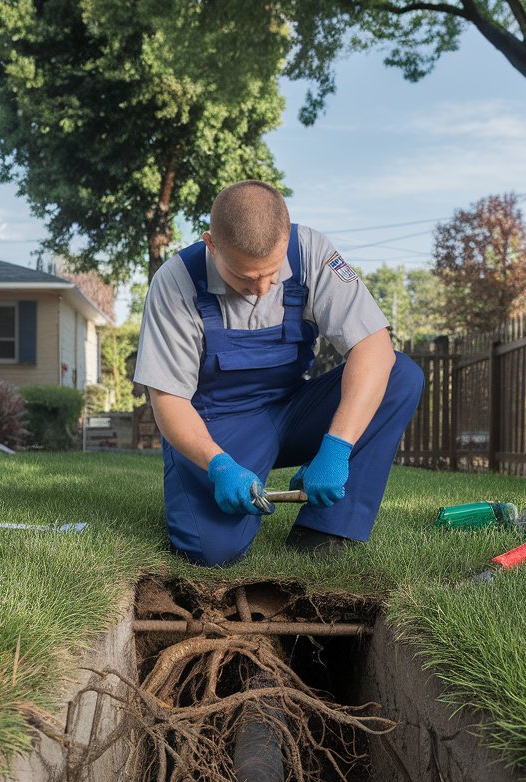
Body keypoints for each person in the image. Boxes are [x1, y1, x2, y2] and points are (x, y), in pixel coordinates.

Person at [134, 180, 424, 567]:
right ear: (211, 245)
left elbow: (373, 347)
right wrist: (218, 465)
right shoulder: (175, 283)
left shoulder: (311, 252)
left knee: (401, 375)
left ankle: (323, 530)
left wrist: (337, 447)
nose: (261, 288)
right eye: (244, 277)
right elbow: (168, 400)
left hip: (292, 409)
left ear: (286, 238)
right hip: (219, 426)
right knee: (210, 552)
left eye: (271, 274)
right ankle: (223, 484)